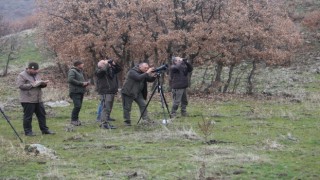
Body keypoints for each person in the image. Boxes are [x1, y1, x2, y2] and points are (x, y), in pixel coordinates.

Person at [16, 62, 55, 136]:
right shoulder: (22, 75)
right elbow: (20, 86)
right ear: (30, 68)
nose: (36, 71)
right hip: (28, 99)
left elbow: (38, 84)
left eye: (37, 70)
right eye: (35, 70)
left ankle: (45, 130)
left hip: (38, 99)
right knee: (28, 116)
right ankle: (28, 132)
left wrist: (43, 84)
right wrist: (32, 85)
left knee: (42, 115)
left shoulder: (36, 74)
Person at [95, 59, 122, 129]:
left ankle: (105, 122)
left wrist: (114, 64)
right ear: (101, 65)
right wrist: (106, 64)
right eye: (105, 64)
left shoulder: (110, 70)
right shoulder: (99, 71)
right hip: (105, 92)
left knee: (108, 108)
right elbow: (103, 70)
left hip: (111, 91)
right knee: (105, 108)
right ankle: (104, 124)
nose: (108, 65)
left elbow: (119, 69)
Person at [67, 60, 89, 126]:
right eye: (82, 64)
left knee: (79, 106)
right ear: (78, 65)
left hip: (80, 91)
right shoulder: (72, 71)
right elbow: (70, 80)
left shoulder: (80, 71)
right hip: (75, 91)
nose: (83, 66)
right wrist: (81, 83)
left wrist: (85, 83)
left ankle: (76, 120)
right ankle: (73, 120)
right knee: (77, 106)